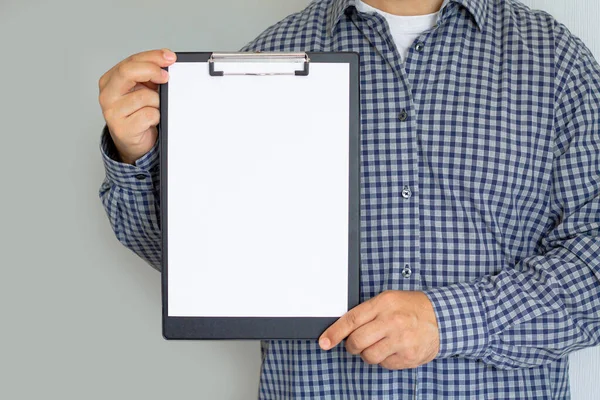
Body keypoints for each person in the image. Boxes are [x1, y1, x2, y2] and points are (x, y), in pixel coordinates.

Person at [98, 0, 600, 397]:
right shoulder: (265, 60)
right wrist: (135, 154)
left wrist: (449, 321)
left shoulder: (554, 61)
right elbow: (198, 269)